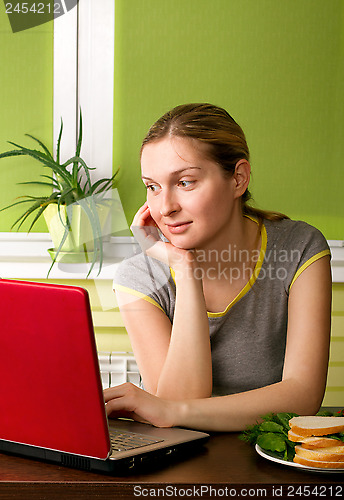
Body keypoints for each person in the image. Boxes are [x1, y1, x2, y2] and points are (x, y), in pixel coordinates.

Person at [104, 103, 332, 432]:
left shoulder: (299, 248)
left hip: (269, 460)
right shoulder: (139, 277)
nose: (165, 207)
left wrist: (171, 411)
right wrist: (185, 270)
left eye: (184, 182)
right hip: (181, 462)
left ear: (238, 179)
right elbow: (178, 402)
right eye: (152, 187)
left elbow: (302, 395)